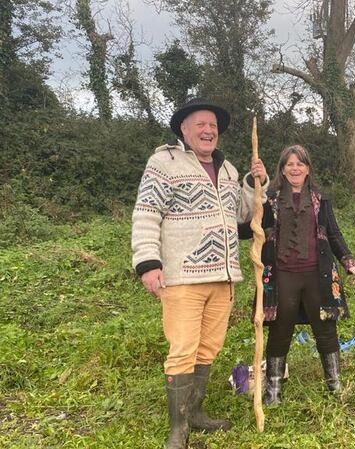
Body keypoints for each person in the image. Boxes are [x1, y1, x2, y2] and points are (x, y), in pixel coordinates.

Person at [131, 98, 268, 449]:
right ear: (184, 129)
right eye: (200, 125)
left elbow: (242, 217)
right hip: (182, 276)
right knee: (183, 349)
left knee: (208, 348)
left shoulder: (228, 170)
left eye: (213, 126)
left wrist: (256, 184)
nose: (208, 131)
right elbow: (146, 213)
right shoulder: (164, 162)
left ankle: (195, 413)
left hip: (222, 277)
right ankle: (178, 430)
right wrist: (148, 263)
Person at [239, 144, 355, 406]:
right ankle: (273, 392)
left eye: (300, 164)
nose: (295, 168)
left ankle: (335, 387)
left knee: (325, 329)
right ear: (282, 169)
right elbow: (248, 228)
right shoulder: (269, 198)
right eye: (290, 164)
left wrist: (348, 261)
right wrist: (254, 183)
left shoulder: (320, 198)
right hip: (282, 275)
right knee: (280, 331)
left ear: (308, 169)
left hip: (317, 275)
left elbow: (334, 233)